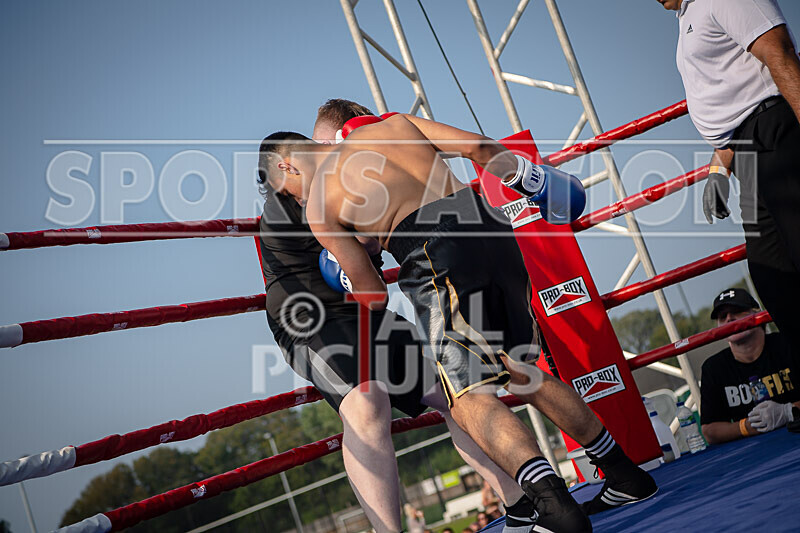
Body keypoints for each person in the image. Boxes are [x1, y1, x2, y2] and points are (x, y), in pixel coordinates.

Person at [259, 112, 658, 530]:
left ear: (287, 166)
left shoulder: (320, 204)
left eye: (286, 190)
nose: (294, 200)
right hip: (491, 228)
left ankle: (556, 507)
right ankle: (624, 475)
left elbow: (374, 297)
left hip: (436, 255)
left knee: (467, 399)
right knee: (521, 369)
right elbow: (479, 148)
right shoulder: (394, 126)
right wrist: (533, 180)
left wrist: (345, 270)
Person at [259, 98, 546, 533]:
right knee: (367, 404)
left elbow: (372, 262)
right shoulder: (286, 206)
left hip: (366, 312)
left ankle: (521, 504)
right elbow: (361, 256)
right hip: (310, 322)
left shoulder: (349, 174)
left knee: (457, 394)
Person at [656, 0, 800, 354]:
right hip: (747, 149)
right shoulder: (687, 16)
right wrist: (719, 166)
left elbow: (779, 52)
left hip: (778, 132)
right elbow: (737, 97)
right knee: (774, 278)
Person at [699, 288, 800, 444]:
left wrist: (789, 411)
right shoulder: (713, 368)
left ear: (757, 313)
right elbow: (709, 431)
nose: (729, 319)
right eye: (722, 316)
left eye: (737, 311)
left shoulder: (788, 344)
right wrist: (746, 427)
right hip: (755, 450)